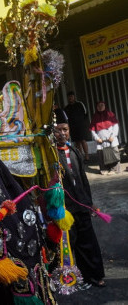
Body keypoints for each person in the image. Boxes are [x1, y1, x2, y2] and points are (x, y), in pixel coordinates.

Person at [53, 109, 106, 287]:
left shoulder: (74, 150)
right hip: (65, 209)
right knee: (69, 245)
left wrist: (89, 203)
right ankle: (72, 279)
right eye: (58, 130)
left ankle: (95, 275)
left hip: (82, 205)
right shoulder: (50, 155)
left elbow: (83, 180)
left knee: (89, 242)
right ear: (53, 132)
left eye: (65, 129)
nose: (62, 134)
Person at [89, 101, 121, 175]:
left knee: (113, 153)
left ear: (105, 106)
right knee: (101, 155)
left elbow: (115, 126)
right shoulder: (94, 117)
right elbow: (92, 130)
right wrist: (97, 138)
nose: (100, 107)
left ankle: (114, 169)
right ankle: (104, 169)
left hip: (111, 139)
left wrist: (113, 136)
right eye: (98, 106)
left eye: (102, 105)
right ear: (96, 107)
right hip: (100, 141)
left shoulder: (110, 114)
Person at [64, 91, 90, 161]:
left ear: (74, 97)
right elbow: (66, 119)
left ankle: (87, 155)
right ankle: (80, 156)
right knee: (77, 142)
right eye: (69, 97)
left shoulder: (80, 104)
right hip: (73, 127)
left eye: (72, 96)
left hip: (81, 126)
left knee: (83, 141)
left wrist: (85, 124)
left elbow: (85, 114)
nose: (70, 98)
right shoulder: (66, 108)